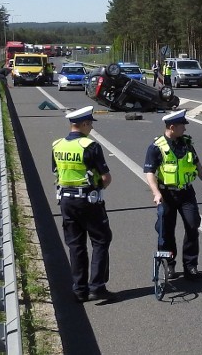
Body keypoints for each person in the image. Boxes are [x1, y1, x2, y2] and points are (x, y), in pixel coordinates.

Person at [51, 106, 115, 302]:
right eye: (90, 125)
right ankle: (97, 286)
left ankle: (79, 289)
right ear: (84, 124)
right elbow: (106, 177)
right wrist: (98, 188)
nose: (91, 129)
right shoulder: (90, 146)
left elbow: (56, 172)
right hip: (88, 200)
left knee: (76, 245)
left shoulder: (57, 145)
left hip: (66, 201)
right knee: (101, 240)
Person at [144, 109, 202, 280]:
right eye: (183, 126)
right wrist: (156, 193)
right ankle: (169, 265)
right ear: (172, 127)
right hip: (166, 194)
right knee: (166, 230)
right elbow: (149, 172)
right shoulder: (156, 147)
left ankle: (191, 266)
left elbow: (196, 163)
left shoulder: (187, 143)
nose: (185, 130)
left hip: (186, 193)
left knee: (192, 224)